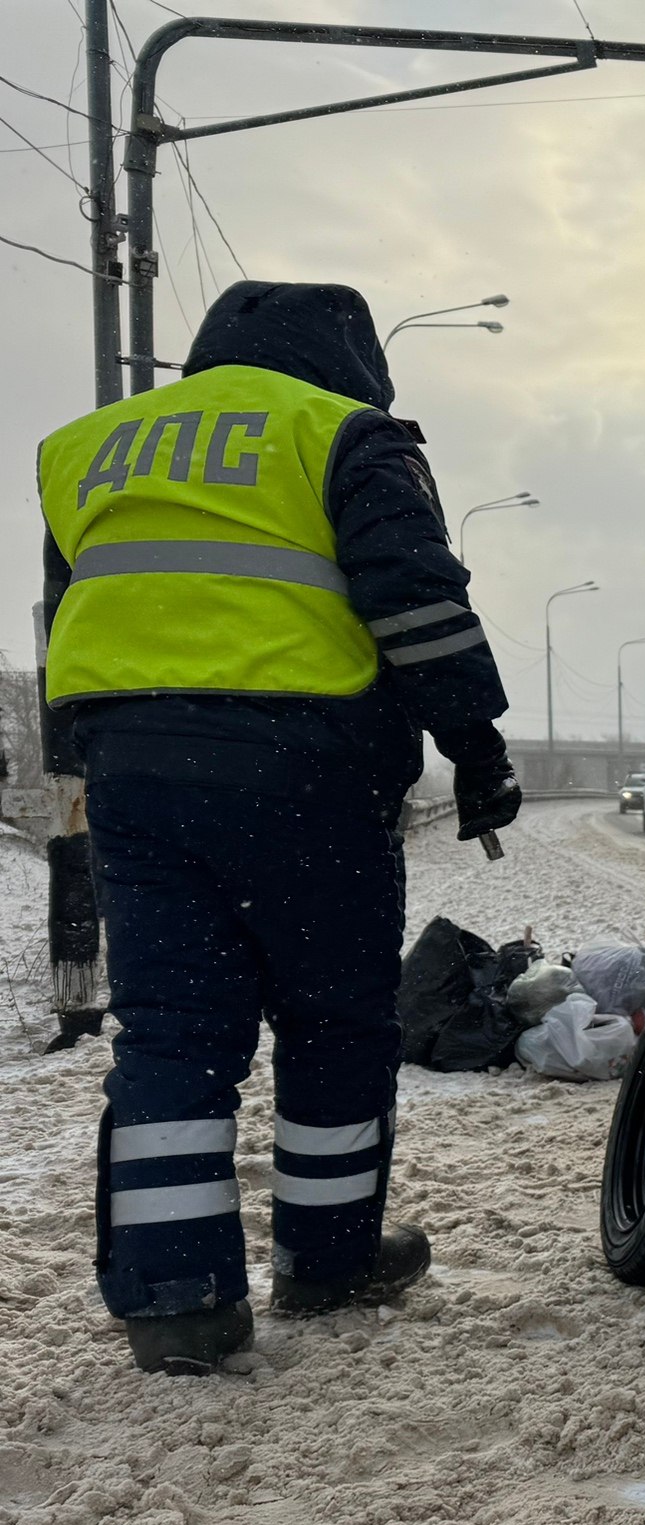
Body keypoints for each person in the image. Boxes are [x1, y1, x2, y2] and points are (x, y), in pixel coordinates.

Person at [36, 281, 523, 1375]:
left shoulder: (85, 448)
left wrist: (85, 760)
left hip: (138, 777)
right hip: (307, 772)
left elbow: (70, 609)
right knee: (334, 1022)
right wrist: (478, 751)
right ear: (354, 366)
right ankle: (328, 1260)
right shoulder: (343, 434)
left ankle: (176, 1302)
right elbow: (416, 601)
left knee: (170, 1031)